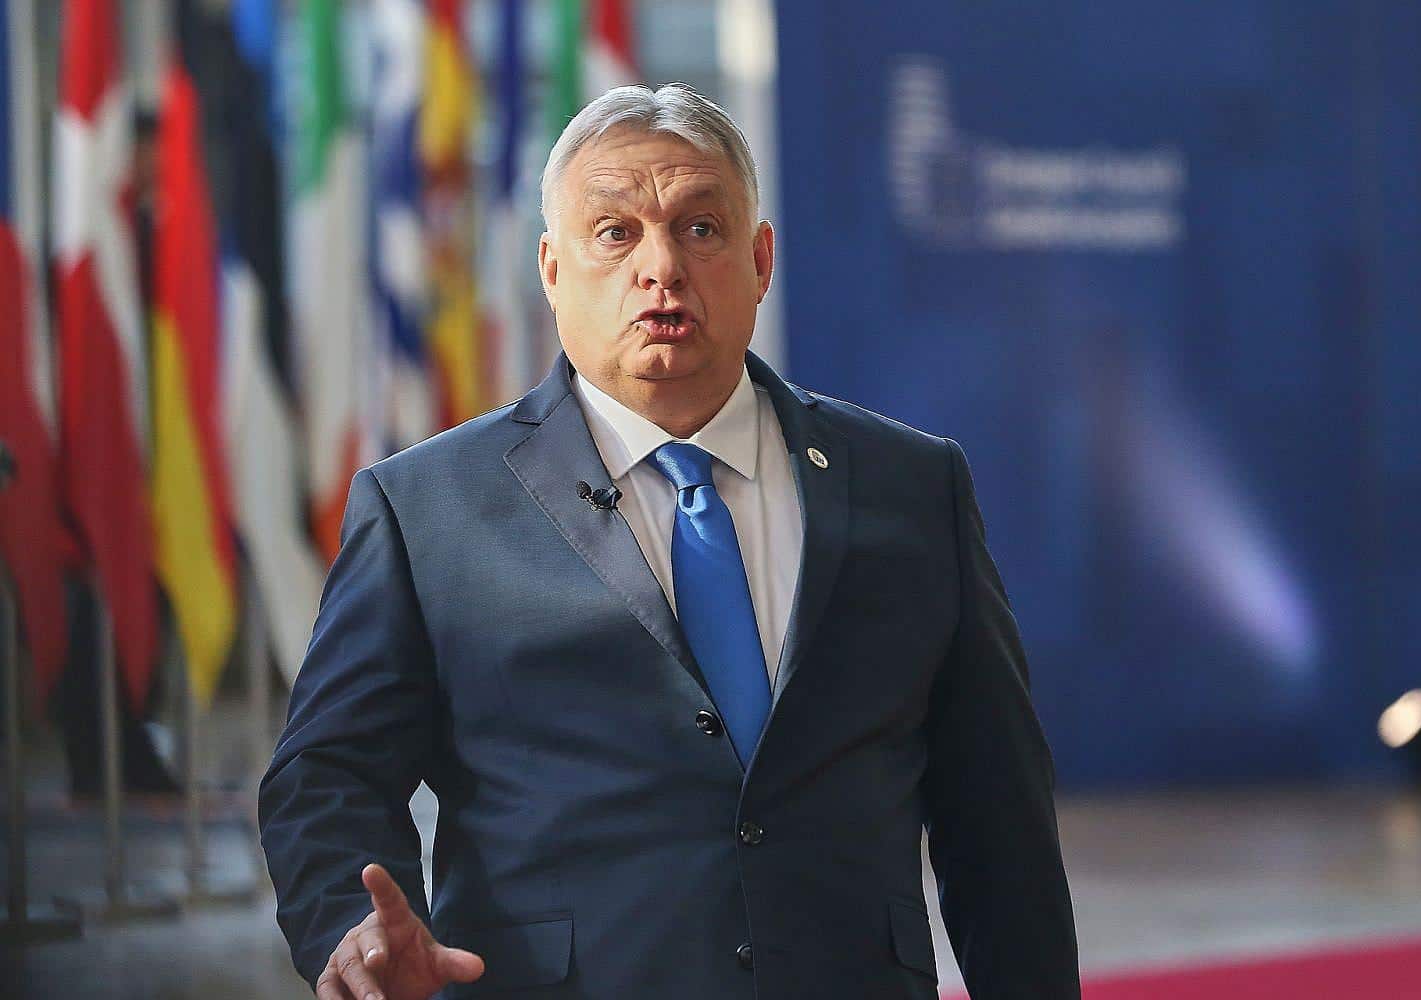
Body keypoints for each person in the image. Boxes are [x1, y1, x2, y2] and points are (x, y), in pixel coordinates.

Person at [260, 83, 1079, 1000]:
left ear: (760, 260)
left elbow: (997, 816)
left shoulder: (912, 485)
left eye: (701, 228)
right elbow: (327, 776)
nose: (662, 267)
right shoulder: (426, 508)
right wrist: (354, 926)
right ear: (552, 270)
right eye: (615, 232)